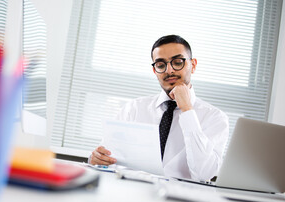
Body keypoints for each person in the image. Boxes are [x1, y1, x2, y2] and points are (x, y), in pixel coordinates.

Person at [90, 35, 229, 181]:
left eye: (177, 62)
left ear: (193, 65)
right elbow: (105, 158)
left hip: (181, 199)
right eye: (161, 65)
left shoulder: (215, 118)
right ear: (155, 70)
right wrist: (97, 159)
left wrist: (187, 109)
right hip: (132, 193)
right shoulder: (134, 109)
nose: (169, 71)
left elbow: (204, 173)